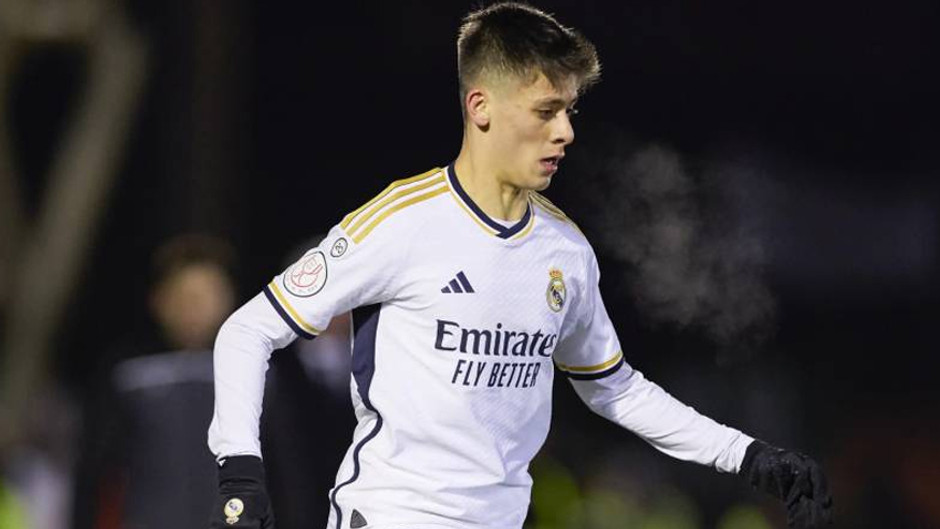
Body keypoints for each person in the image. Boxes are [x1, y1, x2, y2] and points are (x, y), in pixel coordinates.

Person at [207, 3, 833, 529]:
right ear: (481, 107)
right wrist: (240, 474)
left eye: (570, 111)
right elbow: (248, 330)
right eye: (545, 111)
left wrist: (749, 455)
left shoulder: (565, 251)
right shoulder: (401, 221)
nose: (565, 132)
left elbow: (614, 387)